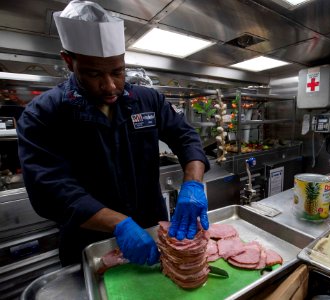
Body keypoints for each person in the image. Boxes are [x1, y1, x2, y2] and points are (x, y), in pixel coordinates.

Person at [17, 0, 210, 267]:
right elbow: (50, 188)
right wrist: (119, 223)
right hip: (90, 242)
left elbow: (185, 136)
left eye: (118, 71)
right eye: (94, 73)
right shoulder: (43, 114)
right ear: (69, 61)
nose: (110, 86)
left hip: (153, 230)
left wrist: (192, 183)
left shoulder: (147, 100)